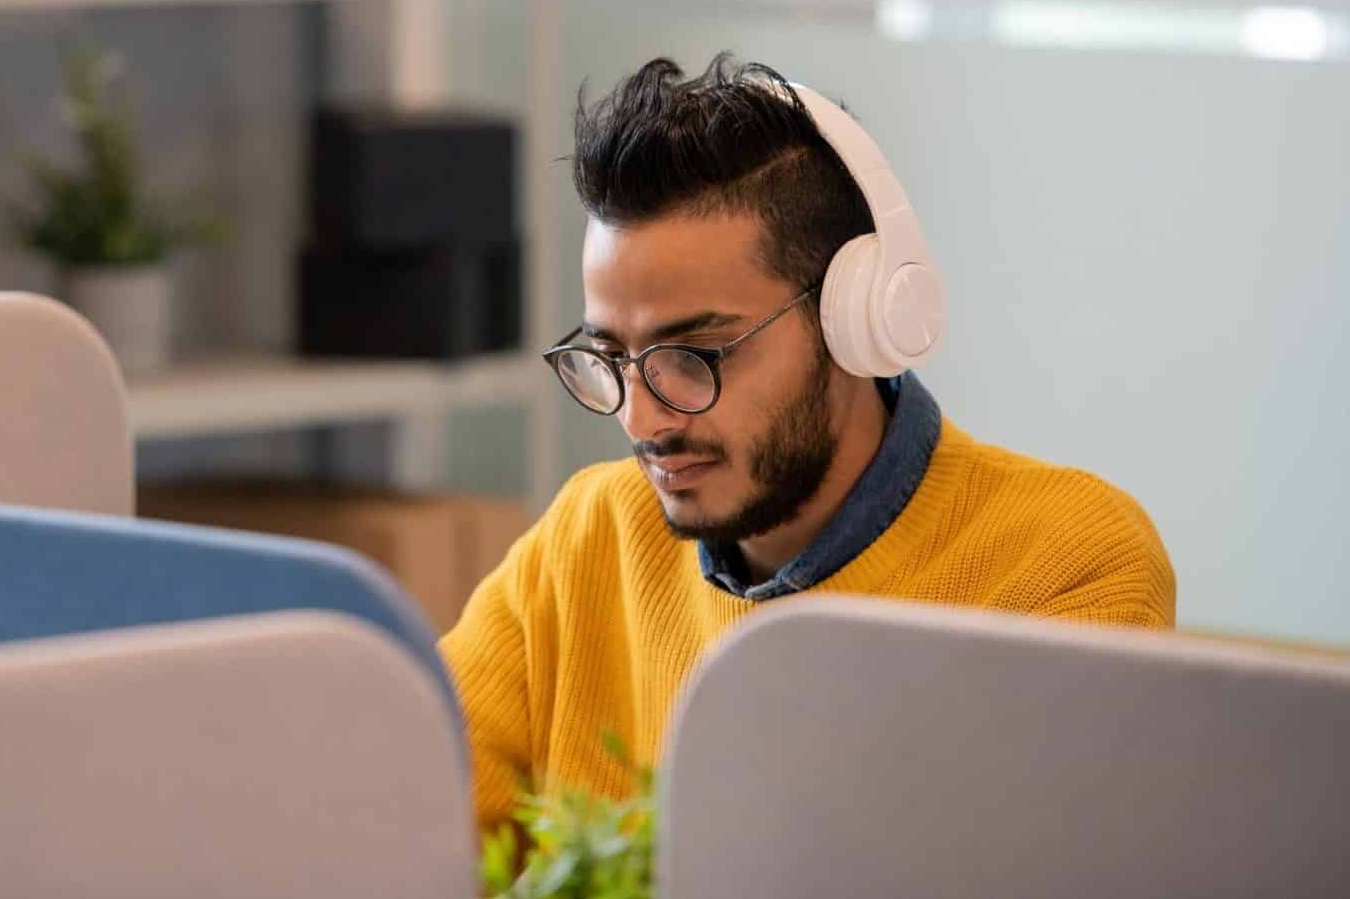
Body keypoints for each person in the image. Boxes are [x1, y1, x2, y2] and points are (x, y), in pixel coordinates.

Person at [439, 53, 1174, 830]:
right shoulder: (589, 538)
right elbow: (405, 817)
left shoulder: (1065, 564)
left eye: (695, 356)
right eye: (613, 358)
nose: (644, 421)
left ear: (854, 320)